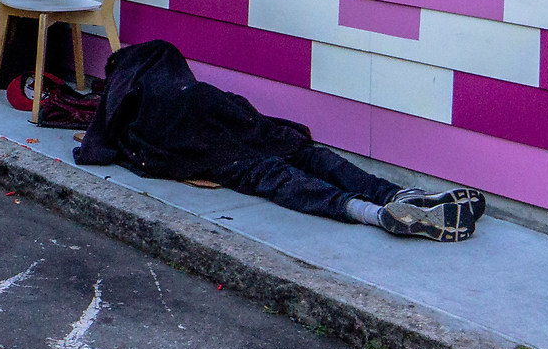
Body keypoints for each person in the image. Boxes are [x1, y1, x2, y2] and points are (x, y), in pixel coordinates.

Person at [71, 40, 485, 241]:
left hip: (208, 148)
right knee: (310, 156)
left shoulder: (130, 102)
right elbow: (237, 105)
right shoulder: (178, 77)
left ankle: (371, 214)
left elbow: (103, 147)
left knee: (275, 177)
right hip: (238, 123)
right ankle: (402, 194)